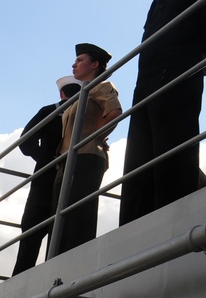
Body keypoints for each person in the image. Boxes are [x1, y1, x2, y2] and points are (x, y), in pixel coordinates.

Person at [119, 0, 206, 225]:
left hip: (176, 80)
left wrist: (191, 58)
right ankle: (133, 224)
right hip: (145, 87)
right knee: (138, 159)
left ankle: (172, 218)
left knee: (172, 148)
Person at [52, 43, 121, 254]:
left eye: (80, 60)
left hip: (87, 156)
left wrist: (95, 137)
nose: (74, 65)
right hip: (66, 160)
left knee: (79, 213)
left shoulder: (101, 86)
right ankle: (57, 259)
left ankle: (76, 258)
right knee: (59, 216)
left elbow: (114, 112)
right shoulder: (79, 96)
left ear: (95, 64)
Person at [12, 75, 82, 275]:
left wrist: (45, 158)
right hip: (74, 176)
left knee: (31, 232)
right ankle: (56, 275)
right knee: (61, 231)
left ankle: (20, 277)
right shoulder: (83, 112)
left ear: (61, 93)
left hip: (45, 176)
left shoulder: (49, 111)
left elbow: (25, 142)